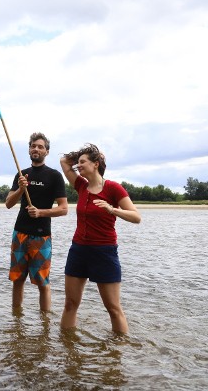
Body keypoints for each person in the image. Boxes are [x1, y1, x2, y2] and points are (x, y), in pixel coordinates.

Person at [60, 143, 141, 334]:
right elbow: (64, 161)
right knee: (70, 304)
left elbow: (136, 217)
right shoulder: (80, 185)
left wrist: (112, 209)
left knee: (113, 308)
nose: (78, 166)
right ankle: (67, 347)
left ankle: (118, 353)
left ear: (96, 164)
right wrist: (84, 154)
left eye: (83, 162)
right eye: (78, 163)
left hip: (104, 252)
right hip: (78, 250)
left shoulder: (113, 188)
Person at [5, 132, 68, 312]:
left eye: (40, 147)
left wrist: (40, 212)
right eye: (33, 146)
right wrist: (20, 189)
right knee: (18, 280)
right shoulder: (22, 174)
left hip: (42, 236)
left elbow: (63, 208)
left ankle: (45, 323)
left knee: (42, 282)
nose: (36, 149)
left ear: (46, 152)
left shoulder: (54, 176)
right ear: (29, 149)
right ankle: (16, 320)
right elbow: (8, 204)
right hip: (20, 233)